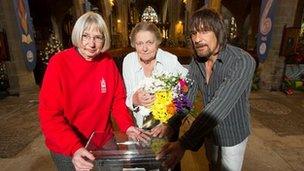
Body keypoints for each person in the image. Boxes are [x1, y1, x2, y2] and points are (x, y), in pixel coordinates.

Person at [39, 12, 149, 171]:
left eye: (98, 37)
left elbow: (117, 100)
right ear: (77, 35)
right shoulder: (59, 63)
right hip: (67, 143)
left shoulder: (107, 62)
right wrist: (74, 148)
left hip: (101, 137)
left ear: (104, 40)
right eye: (85, 36)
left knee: (115, 168)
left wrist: (127, 126)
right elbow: (49, 115)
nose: (91, 43)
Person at [156, 8, 256, 171]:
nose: (197, 39)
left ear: (219, 31)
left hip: (233, 133)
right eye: (194, 33)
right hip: (209, 132)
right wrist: (170, 124)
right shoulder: (197, 61)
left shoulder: (243, 61)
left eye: (204, 31)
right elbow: (186, 97)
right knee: (212, 165)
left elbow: (219, 106)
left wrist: (183, 143)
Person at [122, 22, 188, 171]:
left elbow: (185, 89)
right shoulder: (129, 61)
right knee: (145, 164)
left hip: (166, 125)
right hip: (140, 128)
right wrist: (135, 99)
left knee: (167, 164)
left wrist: (168, 122)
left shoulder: (170, 60)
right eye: (139, 43)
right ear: (134, 44)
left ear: (158, 42)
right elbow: (127, 95)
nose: (144, 48)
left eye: (149, 43)